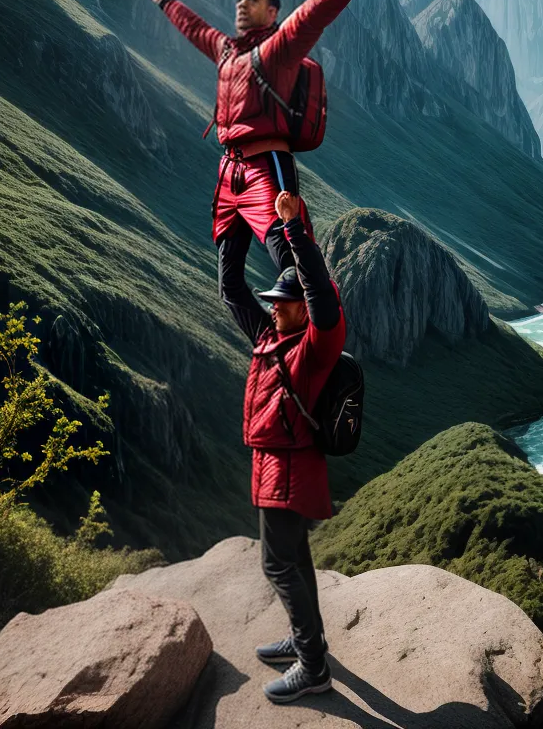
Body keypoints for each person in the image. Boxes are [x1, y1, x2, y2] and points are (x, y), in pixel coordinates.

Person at [143, 0, 384, 343]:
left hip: (264, 164)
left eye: (251, 1)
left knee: (292, 261)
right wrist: (165, 0)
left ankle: (314, 340)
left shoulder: (277, 50)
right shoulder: (226, 51)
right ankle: (272, 347)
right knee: (229, 283)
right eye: (239, 1)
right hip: (229, 173)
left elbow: (310, 16)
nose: (241, 6)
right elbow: (196, 29)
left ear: (272, 13)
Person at [240, 189, 345, 704]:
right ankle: (309, 641)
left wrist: (297, 231)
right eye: (274, 304)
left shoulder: (317, 344)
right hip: (272, 464)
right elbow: (235, 295)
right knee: (295, 558)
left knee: (277, 564)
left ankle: (312, 665)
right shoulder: (275, 338)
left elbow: (321, 295)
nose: (273, 310)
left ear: (302, 308)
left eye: (283, 304)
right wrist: (235, 240)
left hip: (290, 469)